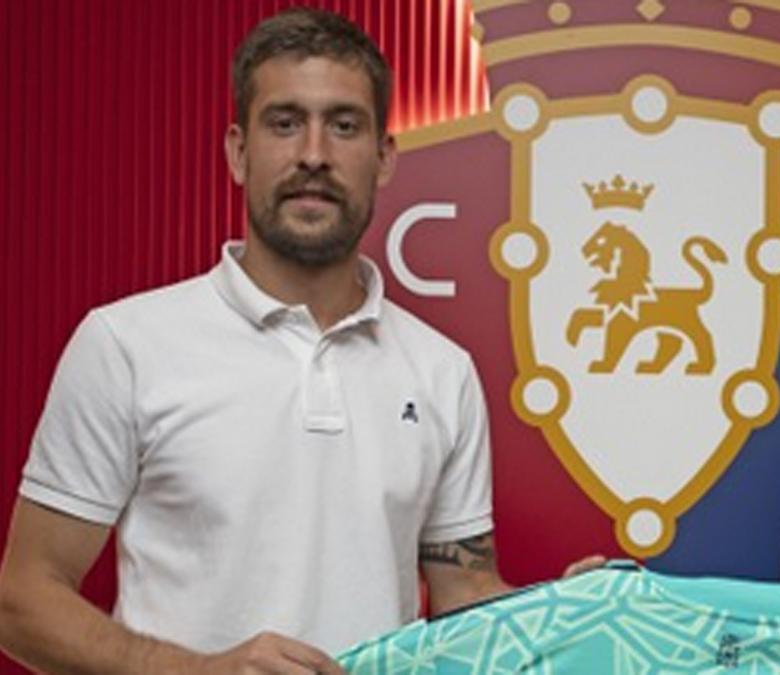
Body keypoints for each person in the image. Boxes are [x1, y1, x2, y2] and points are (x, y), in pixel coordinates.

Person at [0, 8, 543, 674]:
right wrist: (200, 672)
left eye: (344, 125)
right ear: (237, 152)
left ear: (383, 158)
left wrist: (572, 615)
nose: (314, 154)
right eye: (284, 123)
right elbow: (21, 601)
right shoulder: (125, 344)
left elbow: (466, 598)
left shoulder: (442, 371)